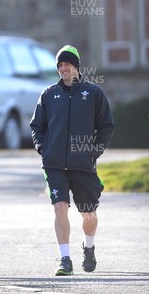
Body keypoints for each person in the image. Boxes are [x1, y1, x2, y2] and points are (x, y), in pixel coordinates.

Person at [30, 45, 114, 276]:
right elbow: (37, 126)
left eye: (67, 64)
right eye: (59, 65)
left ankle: (88, 247)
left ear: (76, 66)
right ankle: (64, 259)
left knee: (88, 213)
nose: (63, 68)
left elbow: (106, 126)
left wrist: (94, 151)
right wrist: (42, 148)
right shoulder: (48, 94)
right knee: (59, 208)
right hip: (54, 163)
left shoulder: (93, 93)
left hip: (83, 164)